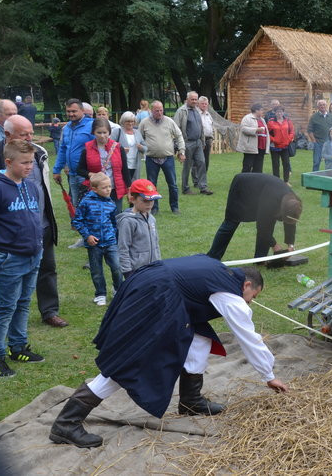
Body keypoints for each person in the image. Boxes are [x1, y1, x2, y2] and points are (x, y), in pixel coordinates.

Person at [48, 256, 288, 448]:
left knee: (200, 339)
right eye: (252, 297)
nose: (250, 303)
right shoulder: (229, 294)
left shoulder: (219, 270)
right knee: (132, 361)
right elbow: (248, 337)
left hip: (151, 284)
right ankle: (67, 423)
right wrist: (269, 375)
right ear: (246, 285)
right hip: (154, 296)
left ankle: (191, 401)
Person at [0, 115, 68, 328]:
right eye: (24, 134)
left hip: (39, 224)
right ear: (8, 135)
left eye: (31, 133)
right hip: (9, 236)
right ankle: (10, 320)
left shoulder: (39, 153)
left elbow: (42, 188)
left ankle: (49, 311)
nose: (30, 138)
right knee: (12, 285)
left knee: (47, 268)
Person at [0, 140, 45, 377]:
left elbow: (36, 216)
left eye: (31, 162)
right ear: (8, 162)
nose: (29, 167)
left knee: (23, 302)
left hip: (33, 255)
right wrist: (0, 249)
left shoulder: (31, 186)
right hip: (9, 258)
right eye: (24, 163)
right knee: (5, 307)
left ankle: (18, 347)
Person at [206, 173, 302, 261]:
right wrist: (275, 246)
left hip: (262, 191)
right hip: (242, 187)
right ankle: (212, 257)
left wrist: (291, 245)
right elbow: (262, 227)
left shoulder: (293, 201)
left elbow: (291, 220)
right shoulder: (271, 201)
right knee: (231, 223)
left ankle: (260, 259)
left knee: (269, 223)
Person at [73, 172, 123, 306]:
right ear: (94, 189)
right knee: (96, 270)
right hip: (94, 244)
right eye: (105, 187)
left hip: (110, 242)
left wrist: (114, 235)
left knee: (117, 267)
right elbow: (77, 221)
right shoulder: (86, 202)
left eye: (109, 186)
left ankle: (118, 289)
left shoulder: (111, 203)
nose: (108, 190)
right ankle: (100, 294)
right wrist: (87, 236)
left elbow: (113, 222)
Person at [138, 101, 186, 215]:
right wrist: (141, 149)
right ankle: (154, 208)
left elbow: (179, 136)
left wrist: (181, 151)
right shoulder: (144, 123)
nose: (159, 113)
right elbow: (139, 138)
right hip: (151, 158)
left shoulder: (169, 122)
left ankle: (175, 207)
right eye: (156, 110)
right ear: (151, 110)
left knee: (172, 184)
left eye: (161, 110)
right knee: (151, 185)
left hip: (167, 158)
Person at [77, 118, 130, 213]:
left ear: (109, 132)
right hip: (96, 189)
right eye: (99, 132)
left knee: (116, 216)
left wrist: (130, 188)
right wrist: (90, 174)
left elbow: (125, 170)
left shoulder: (118, 148)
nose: (102, 136)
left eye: (105, 132)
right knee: (98, 217)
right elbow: (80, 169)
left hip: (115, 188)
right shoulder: (87, 149)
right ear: (93, 132)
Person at [116, 179, 162, 278]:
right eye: (145, 201)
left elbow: (156, 243)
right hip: (136, 271)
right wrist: (127, 272)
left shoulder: (151, 219)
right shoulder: (127, 221)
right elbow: (123, 248)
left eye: (152, 200)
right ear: (132, 199)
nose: (149, 204)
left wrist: (158, 262)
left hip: (153, 268)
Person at [53, 99, 94, 207]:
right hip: (72, 175)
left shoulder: (92, 125)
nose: (71, 114)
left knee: (89, 206)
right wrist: (57, 170)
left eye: (74, 111)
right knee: (76, 206)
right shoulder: (67, 128)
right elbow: (63, 149)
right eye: (68, 111)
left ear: (82, 111)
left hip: (87, 175)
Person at [175, 92, 212, 196]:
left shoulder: (196, 110)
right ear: (187, 99)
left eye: (196, 99)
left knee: (202, 163)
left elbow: (201, 127)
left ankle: (203, 187)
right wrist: (179, 146)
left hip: (198, 143)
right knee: (187, 166)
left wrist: (202, 141)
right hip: (187, 143)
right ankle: (185, 189)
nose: (194, 101)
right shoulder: (181, 111)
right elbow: (176, 128)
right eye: (192, 99)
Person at [111, 111, 147, 182]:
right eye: (128, 121)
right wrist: (121, 150)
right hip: (122, 165)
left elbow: (146, 148)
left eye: (132, 121)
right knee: (122, 184)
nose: (130, 123)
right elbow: (109, 146)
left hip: (135, 165)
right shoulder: (117, 131)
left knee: (133, 186)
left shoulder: (137, 132)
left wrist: (141, 148)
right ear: (123, 121)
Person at [268, 105, 295, 183]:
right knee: (276, 165)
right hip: (274, 147)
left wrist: (288, 139)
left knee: (286, 164)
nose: (279, 113)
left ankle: (286, 181)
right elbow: (267, 133)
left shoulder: (288, 121)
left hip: (285, 146)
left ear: (283, 112)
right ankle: (277, 182)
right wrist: (273, 139)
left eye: (281, 112)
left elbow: (292, 132)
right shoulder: (271, 122)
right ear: (275, 113)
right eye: (277, 112)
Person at [240, 102, 269, 174]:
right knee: (248, 166)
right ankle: (244, 183)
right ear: (256, 110)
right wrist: (256, 130)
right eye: (261, 110)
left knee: (258, 168)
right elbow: (243, 129)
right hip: (251, 147)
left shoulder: (262, 120)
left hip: (261, 147)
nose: (262, 112)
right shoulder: (247, 118)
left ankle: (255, 184)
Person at [308, 99, 332, 171]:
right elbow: (309, 130)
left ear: (326, 106)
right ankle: (314, 177)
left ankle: (328, 177)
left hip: (329, 143)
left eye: (324, 104)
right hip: (318, 143)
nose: (322, 106)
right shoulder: (314, 117)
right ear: (318, 107)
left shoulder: (331, 116)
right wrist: (314, 141)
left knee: (329, 162)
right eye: (320, 105)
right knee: (316, 162)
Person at [197, 96, 215, 175]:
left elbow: (212, 126)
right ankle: (197, 180)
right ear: (198, 104)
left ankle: (203, 177)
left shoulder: (208, 114)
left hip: (208, 140)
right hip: (199, 140)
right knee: (198, 160)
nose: (204, 105)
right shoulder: (196, 114)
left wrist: (212, 138)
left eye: (206, 104)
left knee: (206, 160)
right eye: (202, 104)